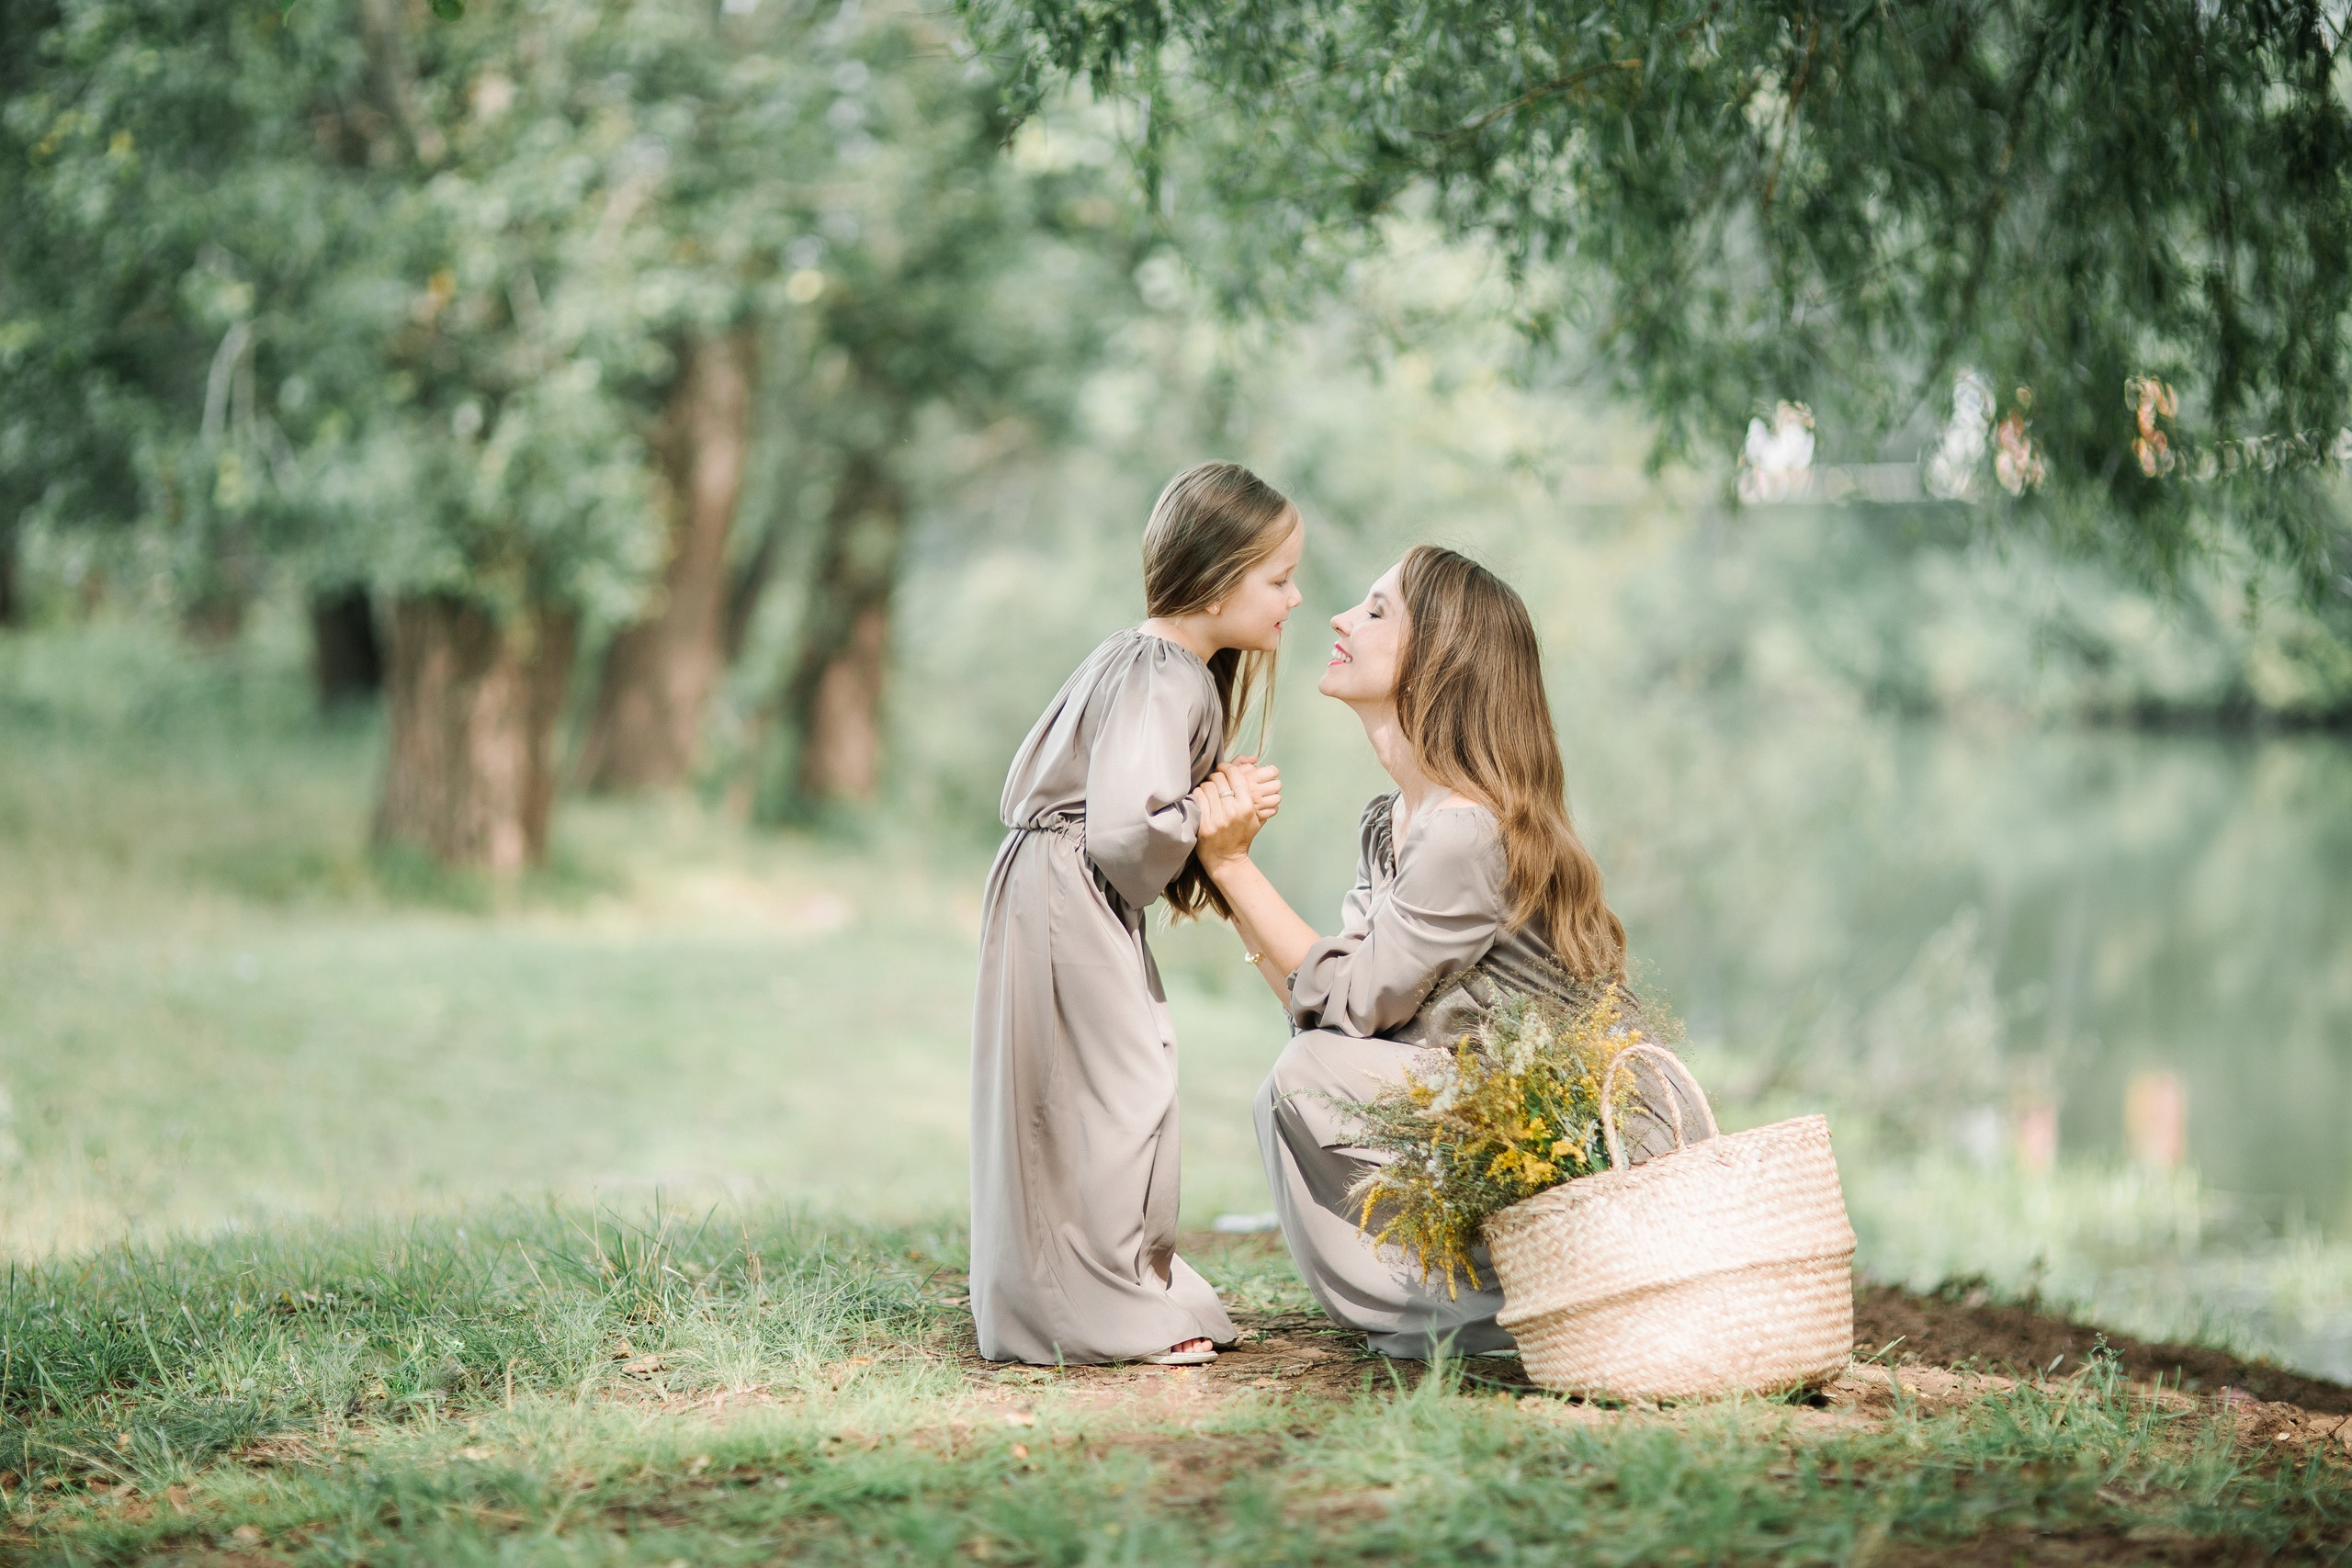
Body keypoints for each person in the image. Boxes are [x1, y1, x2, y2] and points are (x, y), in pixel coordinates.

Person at [1190, 546, 1636, 1359]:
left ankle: (1500, 1318)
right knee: (1292, 1083)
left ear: (1439, 656)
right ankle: (1447, 1311)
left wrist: (1229, 864)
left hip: (1565, 1159)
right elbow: (1324, 1007)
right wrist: (1230, 884)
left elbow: (1347, 1002)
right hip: (1485, 1125)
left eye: (1375, 609)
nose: (1338, 618)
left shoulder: (1465, 831)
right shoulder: (1393, 821)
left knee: (1304, 1078)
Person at [969, 461, 1303, 1366]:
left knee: (1092, 1087)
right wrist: (1214, 813)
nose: (1294, 598)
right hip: (1068, 891)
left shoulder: (1146, 656)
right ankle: (1093, 1299)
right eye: (1278, 579)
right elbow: (1126, 833)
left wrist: (1204, 816)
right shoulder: (1168, 673)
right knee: (1119, 1090)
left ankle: (1105, 1279)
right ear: (1220, 573)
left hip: (1058, 888)